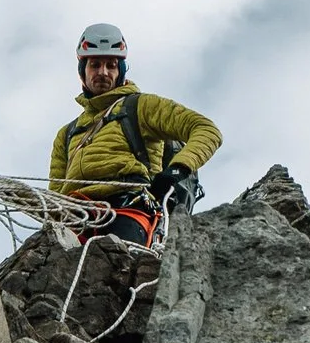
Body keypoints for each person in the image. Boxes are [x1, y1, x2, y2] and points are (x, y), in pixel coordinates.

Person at [48, 23, 222, 240]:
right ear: (82, 71)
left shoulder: (140, 107)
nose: (103, 72)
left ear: (121, 71)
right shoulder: (66, 134)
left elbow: (206, 130)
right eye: (95, 65)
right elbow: (52, 204)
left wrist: (178, 169)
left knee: (113, 265)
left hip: (129, 211)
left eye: (111, 65)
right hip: (74, 222)